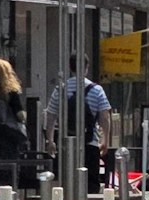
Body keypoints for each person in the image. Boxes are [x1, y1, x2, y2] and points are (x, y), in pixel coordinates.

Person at [47, 56, 114, 191]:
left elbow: (51, 115)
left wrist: (50, 140)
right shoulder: (97, 90)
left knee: (66, 184)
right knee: (91, 185)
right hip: (90, 144)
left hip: (66, 144)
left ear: (70, 68)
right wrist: (105, 140)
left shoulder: (61, 89)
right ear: (86, 68)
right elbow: (104, 117)